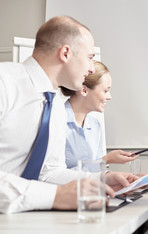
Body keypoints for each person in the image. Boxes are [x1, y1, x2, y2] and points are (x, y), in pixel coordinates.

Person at [0, 16, 137, 214]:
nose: (91, 68)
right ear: (65, 53)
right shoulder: (5, 83)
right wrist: (54, 196)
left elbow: (48, 172)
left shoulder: (55, 105)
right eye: (89, 57)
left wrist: (99, 180)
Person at [61, 60, 139, 169]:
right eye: (105, 91)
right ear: (84, 90)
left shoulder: (94, 126)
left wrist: (122, 179)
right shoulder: (56, 123)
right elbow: (52, 175)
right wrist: (106, 159)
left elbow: (96, 173)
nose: (109, 97)